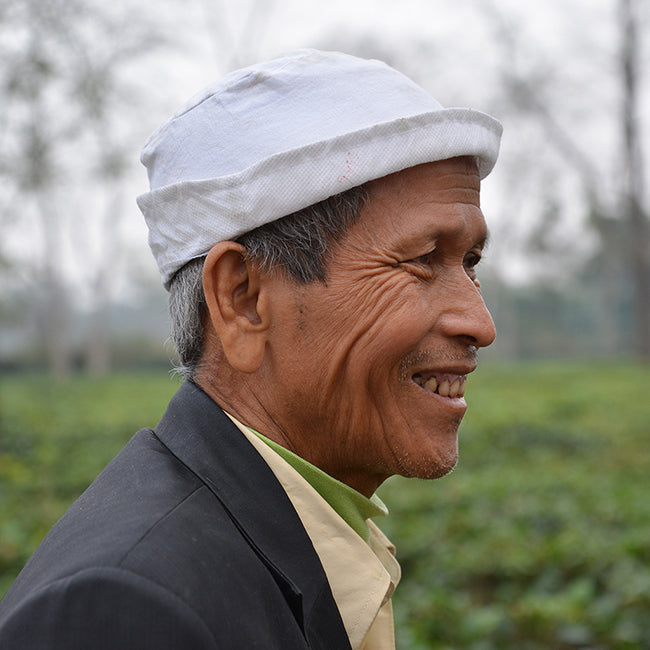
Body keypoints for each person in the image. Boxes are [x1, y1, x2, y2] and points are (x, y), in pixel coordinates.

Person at [0, 49, 501, 649]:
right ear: (241, 299)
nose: (479, 322)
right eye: (422, 259)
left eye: (470, 263)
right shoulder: (124, 610)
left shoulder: (285, 538)